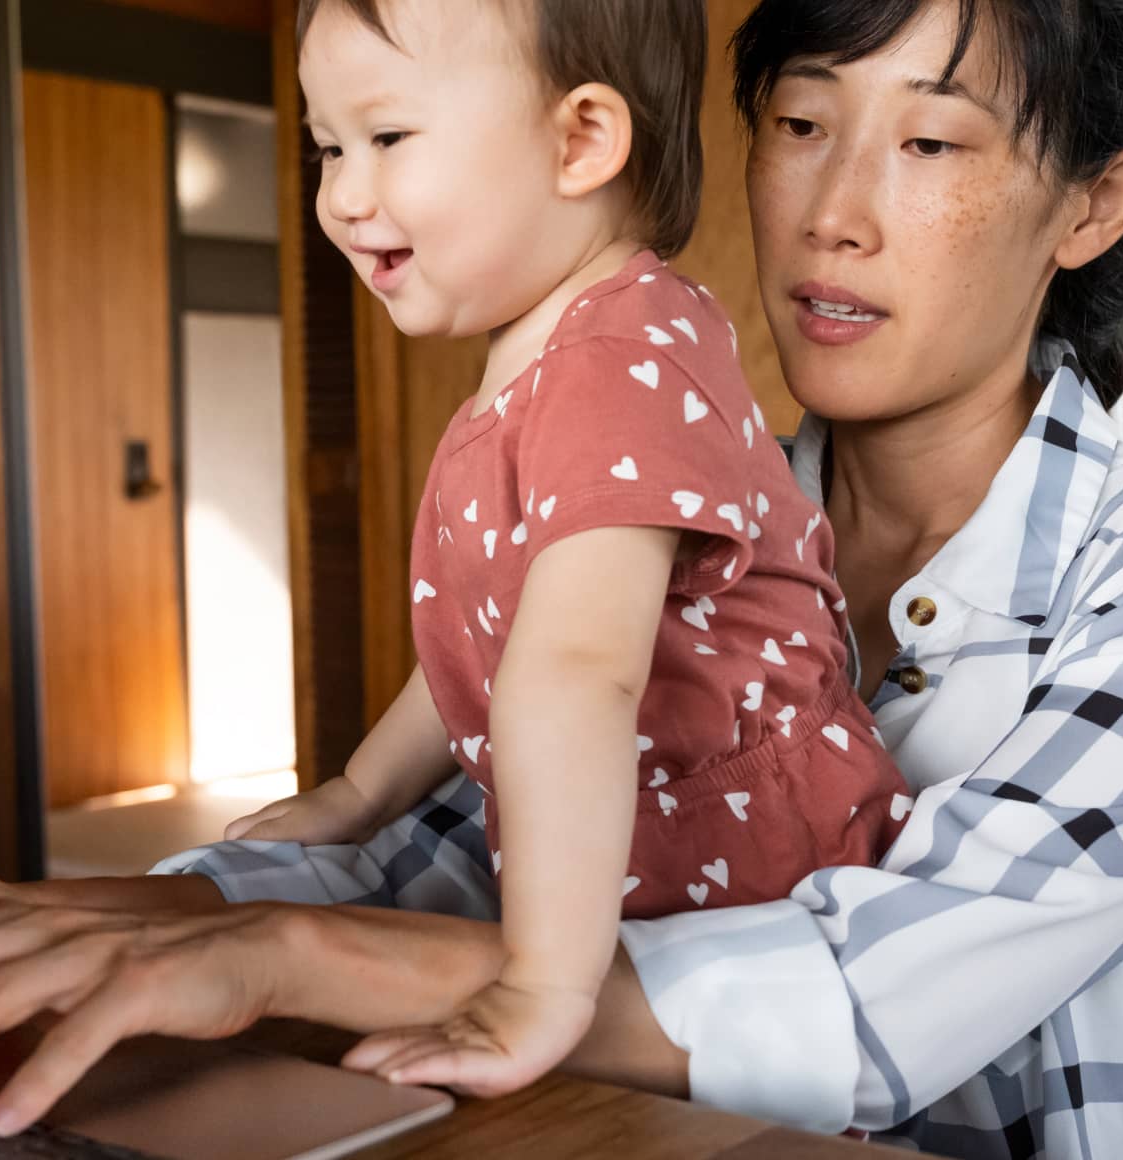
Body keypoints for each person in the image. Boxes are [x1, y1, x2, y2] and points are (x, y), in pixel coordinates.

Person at [0, 1, 1123, 1155]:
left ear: (1095, 197)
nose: (836, 213)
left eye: (930, 141)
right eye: (796, 124)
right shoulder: (675, 520)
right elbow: (424, 859)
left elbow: (869, 1002)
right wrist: (30, 918)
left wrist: (278, 963)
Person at [215, 0, 907, 1097]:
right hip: (651, 871)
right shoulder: (551, 357)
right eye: (328, 147)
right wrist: (358, 789)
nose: (344, 196)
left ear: (580, 139)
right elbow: (491, 654)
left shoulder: (614, 355)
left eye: (388, 138)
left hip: (756, 876)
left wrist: (537, 981)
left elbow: (574, 671)